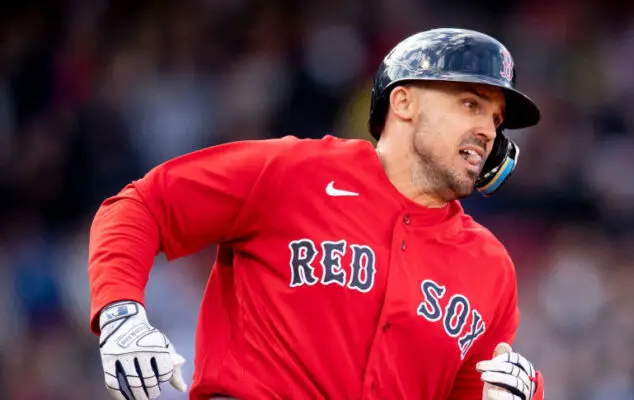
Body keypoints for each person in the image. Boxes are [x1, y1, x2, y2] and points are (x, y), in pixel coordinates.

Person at [89, 27, 545, 400]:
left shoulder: (491, 270)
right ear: (404, 102)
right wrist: (120, 313)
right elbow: (144, 205)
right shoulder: (296, 172)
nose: (487, 130)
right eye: (471, 104)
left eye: (495, 119)